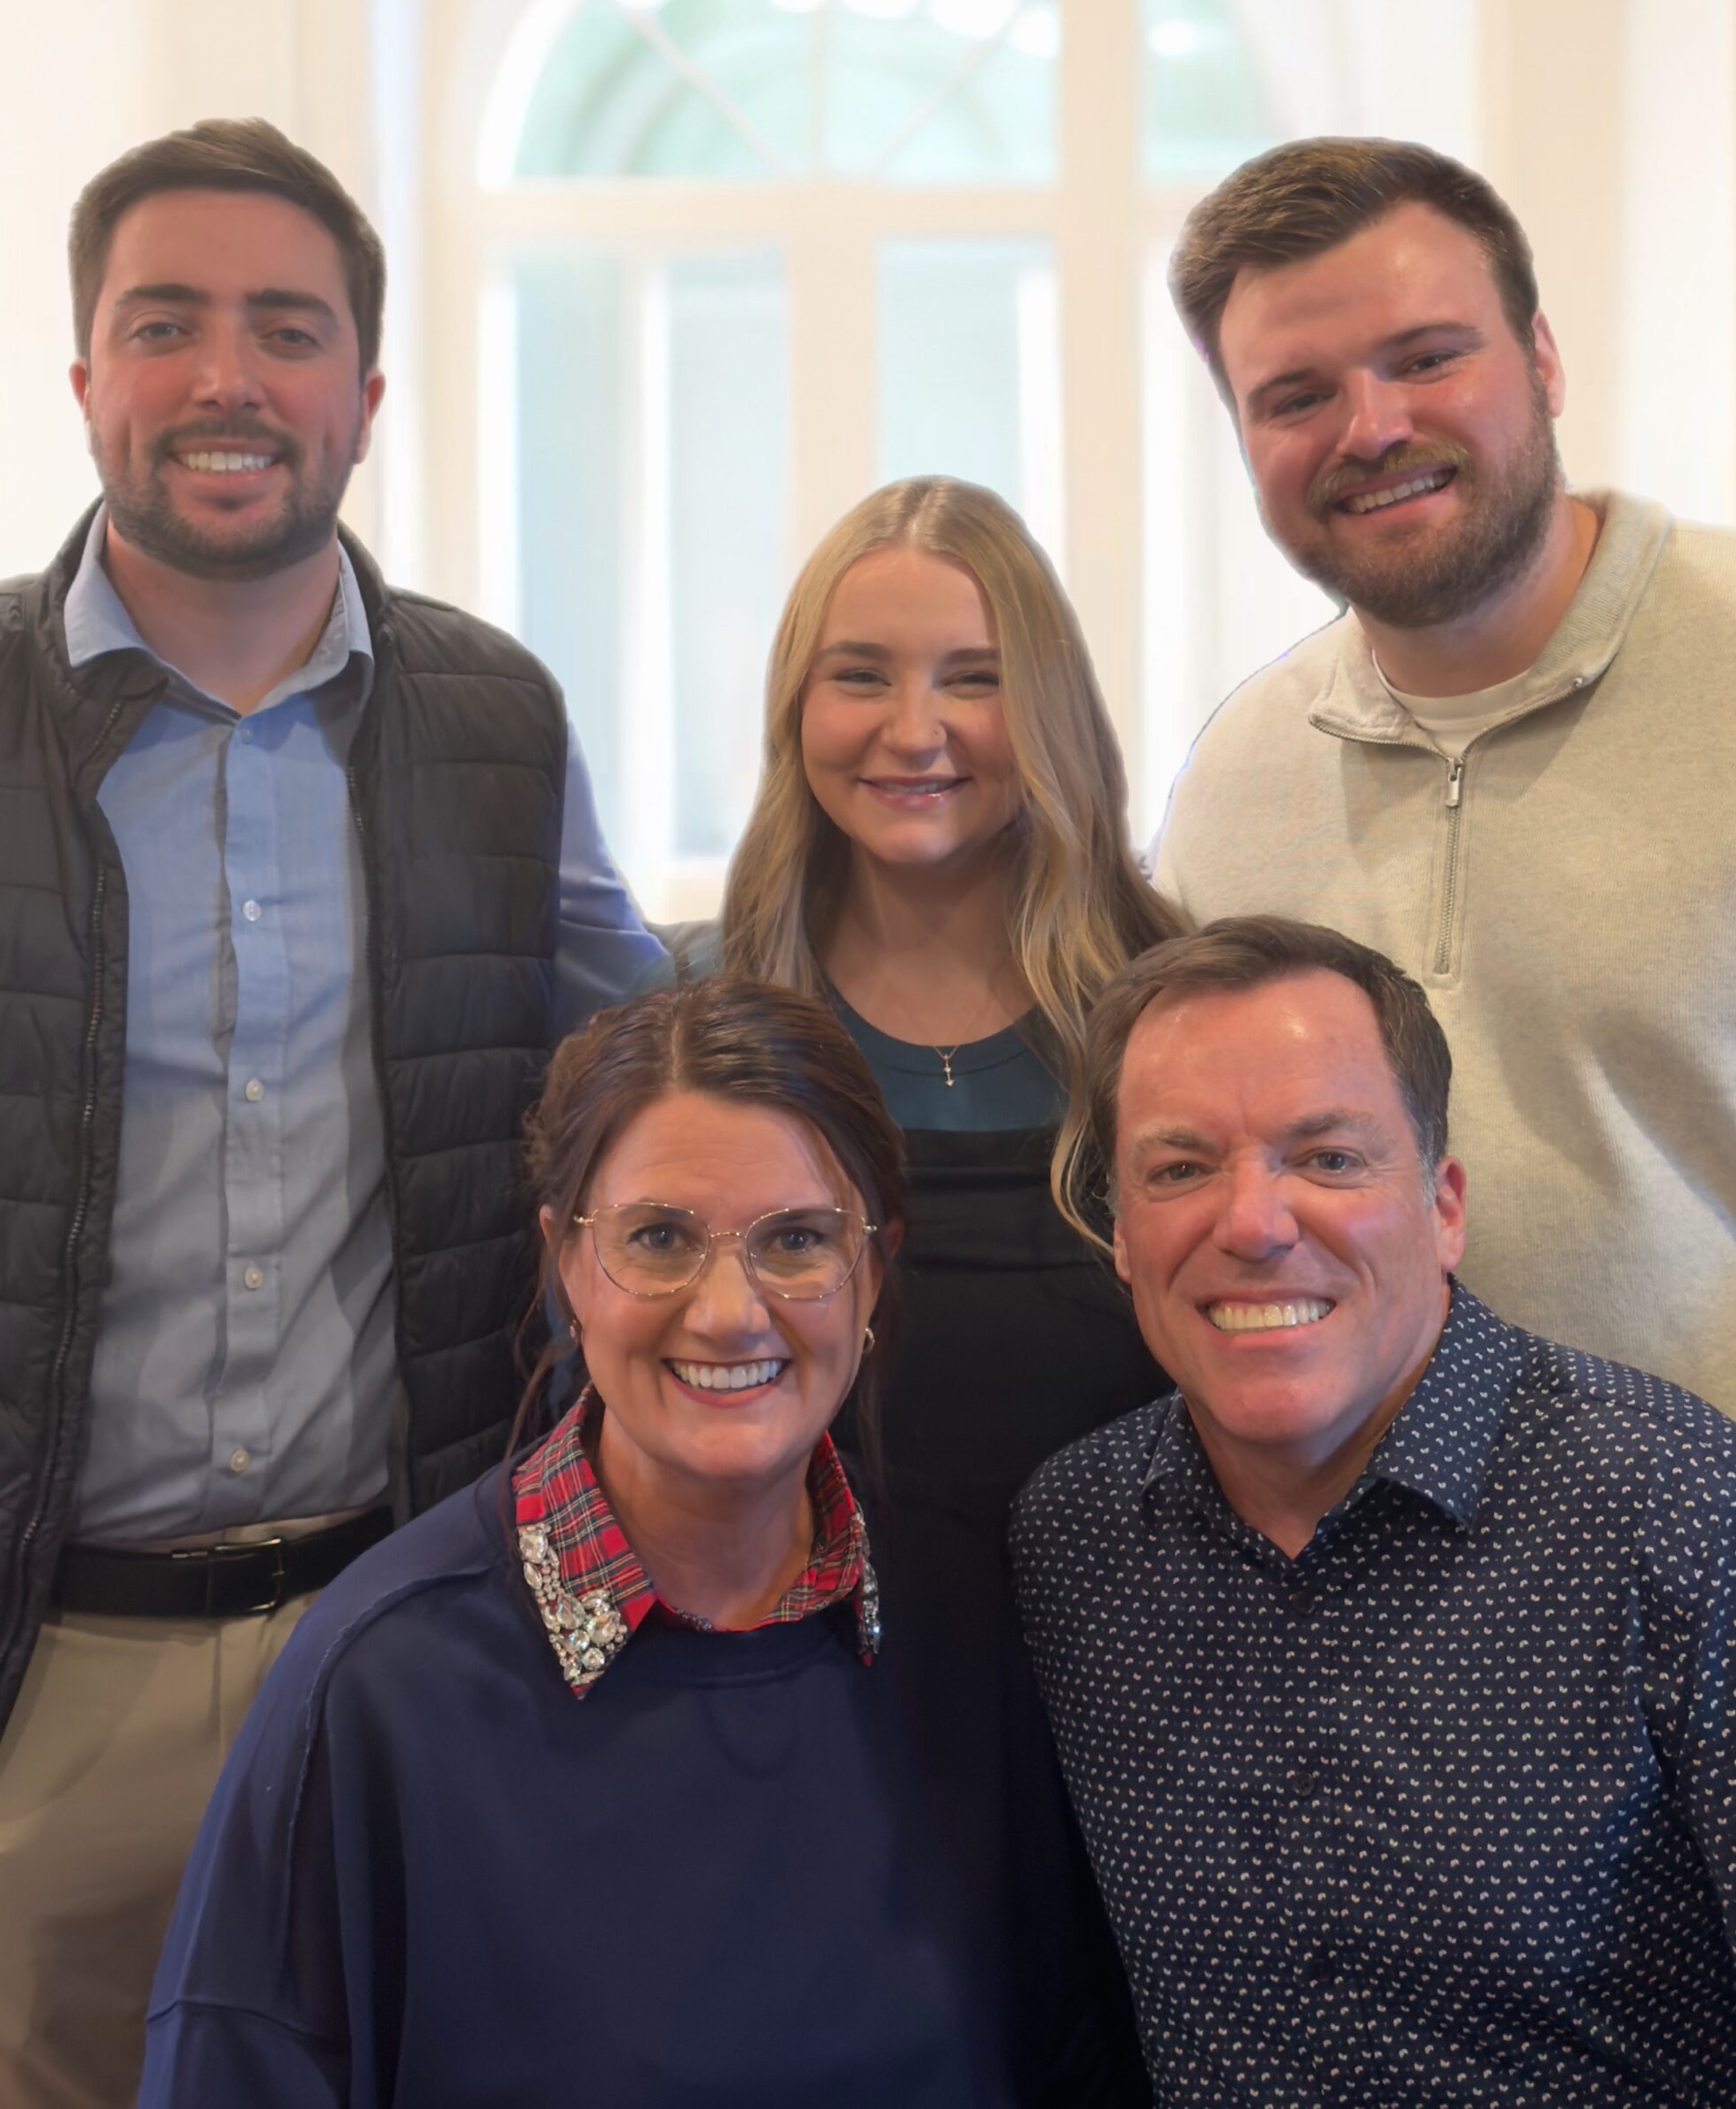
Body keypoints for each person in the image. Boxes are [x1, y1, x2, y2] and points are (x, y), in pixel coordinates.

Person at [0, 118, 661, 2105]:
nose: (224, 379)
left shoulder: (498, 724)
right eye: (163, 323)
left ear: (366, 392)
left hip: (397, 1658)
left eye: (286, 328)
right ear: (84, 372)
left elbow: (667, 1100)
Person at [1149, 135, 1736, 1930]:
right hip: (1468, 1766)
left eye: (1426, 357)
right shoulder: (1236, 783)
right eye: (1295, 394)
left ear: (1541, 359)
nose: (1371, 425)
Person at [1013, 914, 1736, 2105]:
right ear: (1120, 1233)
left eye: (1328, 1158)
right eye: (1181, 1169)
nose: (1253, 1223)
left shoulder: (1683, 1517)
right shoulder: (1075, 1541)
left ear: (1444, 1207)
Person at [145, 976, 1065, 2104]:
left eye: (796, 1240)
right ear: (566, 1264)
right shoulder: (379, 1683)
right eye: (660, 1238)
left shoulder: (971, 1626)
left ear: (872, 1269)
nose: (728, 1312)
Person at [719, 476, 1184, 2095]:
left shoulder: (1170, 1015)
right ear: (797, 707)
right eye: (861, 674)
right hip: (806, 1745)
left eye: (973, 678)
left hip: (1142, 1752)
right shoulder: (708, 1030)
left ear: (1044, 706)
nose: (914, 729)